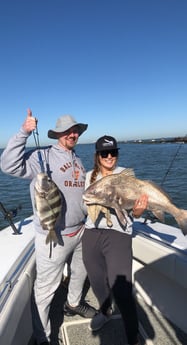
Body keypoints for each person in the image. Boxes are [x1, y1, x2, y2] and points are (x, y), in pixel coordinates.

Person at [0, 109, 96, 345]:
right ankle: (43, 337)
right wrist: (24, 131)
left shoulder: (78, 160)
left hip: (80, 230)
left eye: (75, 131)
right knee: (45, 290)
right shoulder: (41, 156)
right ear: (57, 135)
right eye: (67, 131)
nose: (72, 135)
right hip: (52, 234)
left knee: (80, 272)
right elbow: (8, 165)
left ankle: (73, 303)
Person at [82, 135, 148, 345]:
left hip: (119, 234)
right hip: (91, 233)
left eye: (113, 153)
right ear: (98, 156)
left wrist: (138, 212)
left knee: (121, 288)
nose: (109, 157)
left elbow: (134, 213)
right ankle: (105, 311)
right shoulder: (88, 177)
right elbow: (86, 204)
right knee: (96, 280)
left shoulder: (127, 176)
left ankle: (132, 335)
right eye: (104, 153)